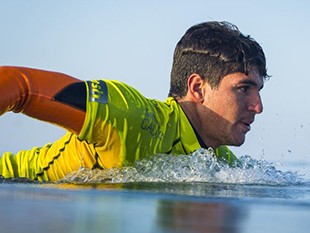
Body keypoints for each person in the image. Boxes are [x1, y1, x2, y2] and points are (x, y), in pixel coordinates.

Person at [0, 21, 269, 182]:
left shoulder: (219, 163)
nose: (257, 106)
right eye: (244, 88)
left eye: (258, 90)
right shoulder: (131, 117)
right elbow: (19, 84)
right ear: (197, 88)